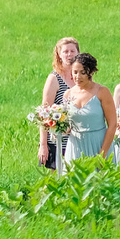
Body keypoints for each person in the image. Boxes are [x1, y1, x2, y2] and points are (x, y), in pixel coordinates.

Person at [62, 53, 116, 166]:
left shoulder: (102, 92)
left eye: (83, 72)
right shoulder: (68, 94)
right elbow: (67, 125)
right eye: (75, 72)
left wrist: (103, 153)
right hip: (75, 145)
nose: (78, 76)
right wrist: (57, 129)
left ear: (91, 72)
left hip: (97, 143)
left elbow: (112, 125)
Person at [38, 36, 79, 170]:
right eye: (66, 51)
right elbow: (45, 113)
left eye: (72, 51)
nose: (69, 55)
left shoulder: (82, 77)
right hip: (58, 140)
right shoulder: (54, 79)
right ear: (59, 55)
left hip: (78, 139)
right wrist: (43, 144)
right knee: (56, 178)